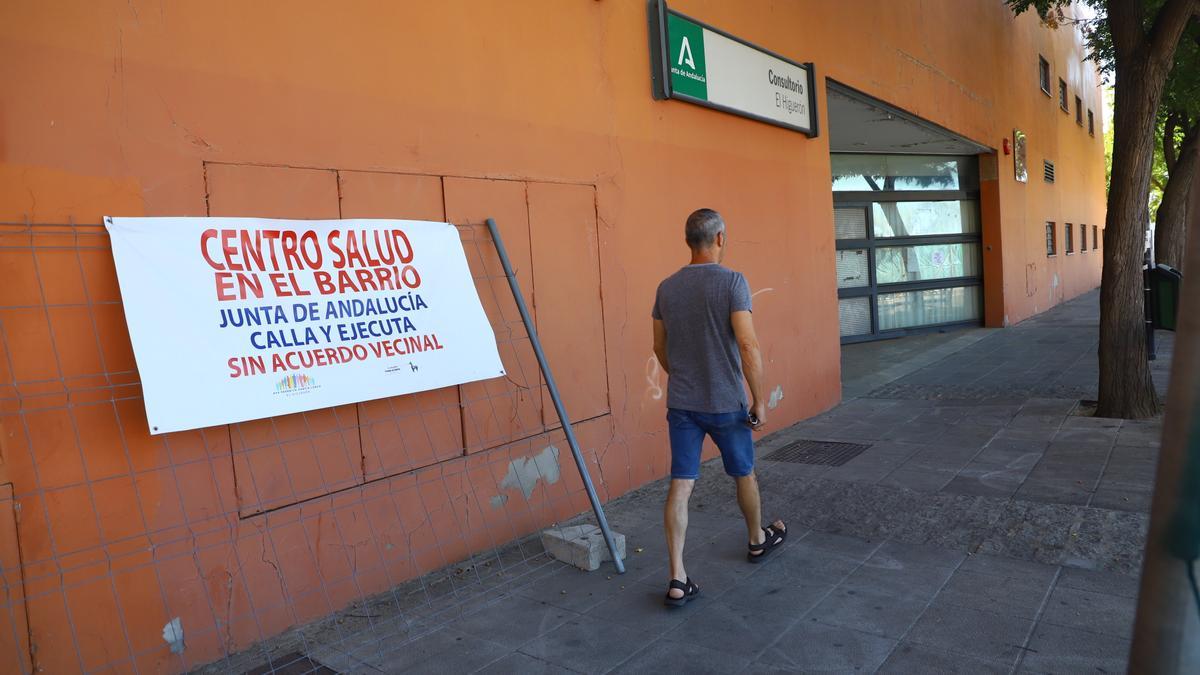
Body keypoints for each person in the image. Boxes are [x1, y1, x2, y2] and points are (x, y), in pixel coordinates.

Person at [651, 208, 787, 608]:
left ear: (688, 240)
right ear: (720, 238)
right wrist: (759, 399)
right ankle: (757, 540)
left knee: (682, 482)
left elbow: (659, 347)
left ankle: (677, 577)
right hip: (727, 401)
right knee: (744, 472)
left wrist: (683, 376)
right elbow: (747, 345)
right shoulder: (732, 282)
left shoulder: (666, 287)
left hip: (683, 404)